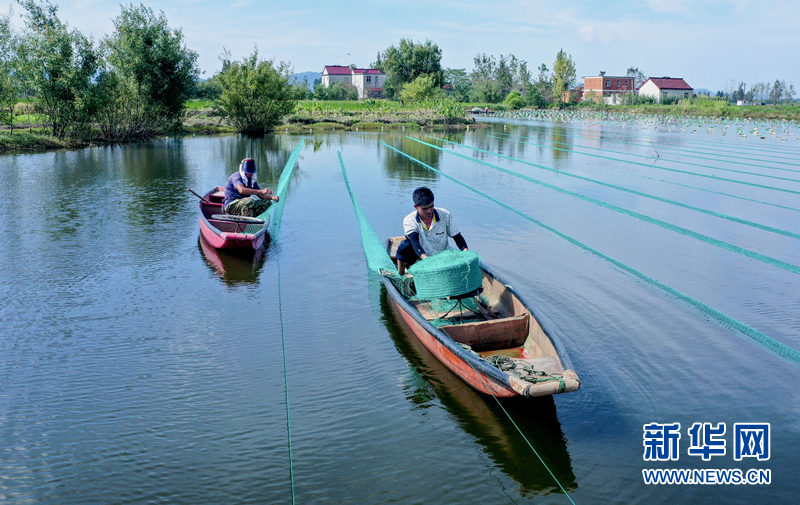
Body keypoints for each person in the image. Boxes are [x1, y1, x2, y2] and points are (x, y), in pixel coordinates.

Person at [396, 187, 468, 275]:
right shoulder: (409, 220)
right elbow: (415, 242)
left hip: (442, 256)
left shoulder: (445, 214)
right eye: (424, 209)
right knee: (405, 245)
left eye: (431, 206)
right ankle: (401, 273)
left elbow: (457, 236)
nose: (429, 211)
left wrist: (465, 251)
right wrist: (426, 259)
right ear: (416, 207)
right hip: (420, 257)